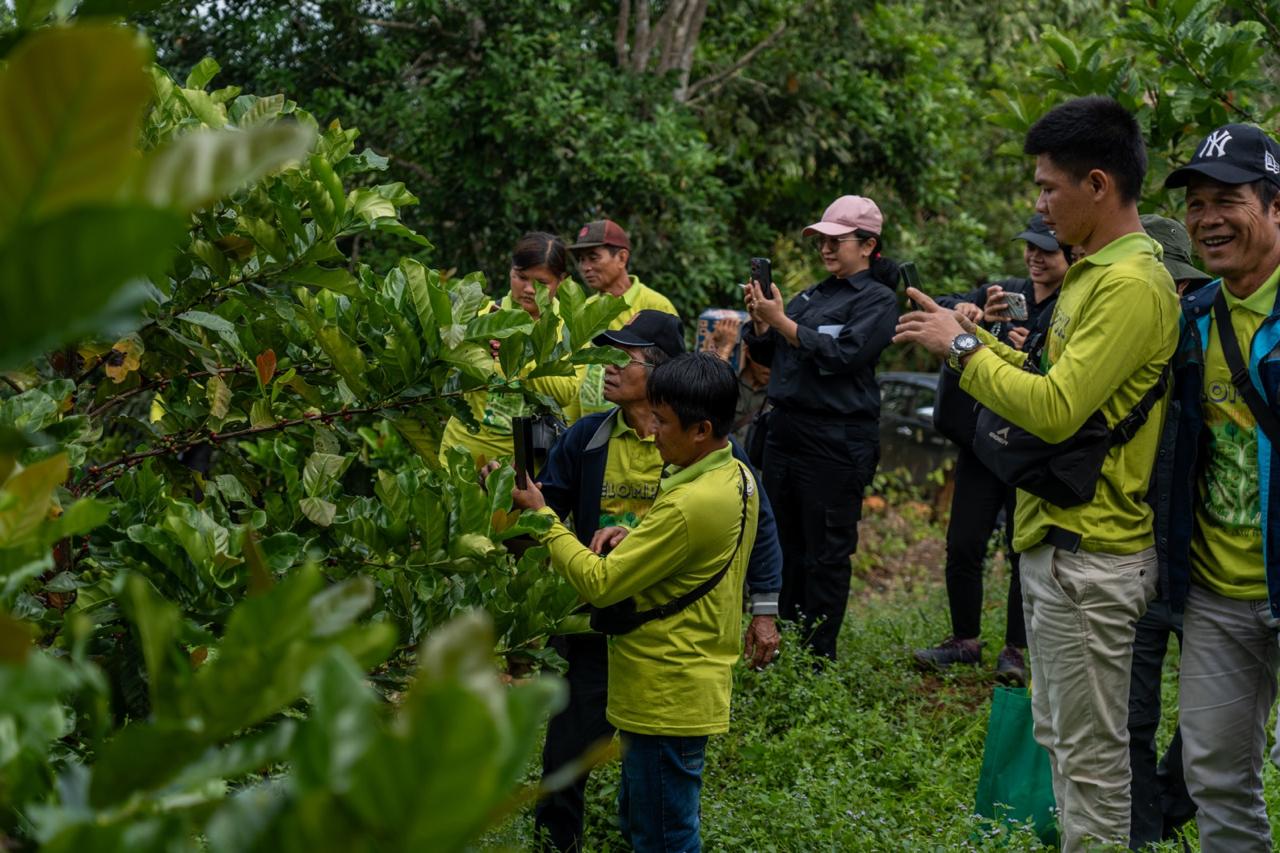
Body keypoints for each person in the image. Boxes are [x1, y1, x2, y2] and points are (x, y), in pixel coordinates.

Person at [894, 96, 1179, 850]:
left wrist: (961, 353)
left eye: (1048, 187)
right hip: (1057, 545)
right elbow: (1060, 380)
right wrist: (973, 338)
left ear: (1097, 183)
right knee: (1062, 738)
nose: (1039, 203)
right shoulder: (1092, 275)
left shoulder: (1129, 282)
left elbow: (1053, 411)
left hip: (1094, 555)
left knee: (1092, 760)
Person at [527, 310, 782, 852]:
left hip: (665, 678)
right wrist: (631, 532)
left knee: (664, 833)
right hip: (635, 655)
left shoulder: (698, 492)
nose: (610, 367)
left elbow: (602, 579)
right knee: (625, 801)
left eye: (627, 356)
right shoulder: (718, 470)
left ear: (700, 429)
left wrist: (543, 522)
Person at [1162, 123, 1280, 852]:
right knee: (1215, 772)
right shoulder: (1195, 316)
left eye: (1227, 200)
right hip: (1217, 591)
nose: (1208, 218)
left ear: (1275, 207)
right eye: (1197, 203)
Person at [913, 214, 1070, 684]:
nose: (1036, 257)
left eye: (1047, 249)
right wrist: (967, 310)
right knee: (963, 542)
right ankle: (964, 640)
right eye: (1030, 247)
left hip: (1030, 449)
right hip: (983, 441)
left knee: (1022, 550)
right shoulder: (1002, 290)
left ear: (1071, 253)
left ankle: (1017, 650)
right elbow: (942, 312)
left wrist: (1031, 350)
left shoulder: (1069, 306)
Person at [742, 194, 899, 661]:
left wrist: (783, 323)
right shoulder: (811, 295)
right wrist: (763, 325)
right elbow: (773, 357)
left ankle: (816, 658)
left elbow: (844, 356)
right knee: (781, 543)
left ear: (868, 245)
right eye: (821, 242)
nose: (826, 250)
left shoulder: (877, 300)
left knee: (825, 553)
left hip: (835, 442)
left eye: (837, 241)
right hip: (786, 432)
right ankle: (778, 645)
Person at [1126, 214, 1205, 849]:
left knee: (1211, 727)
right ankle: (1141, 831)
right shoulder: (1117, 347)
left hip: (1205, 564)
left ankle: (1167, 805)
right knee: (1129, 717)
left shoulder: (1211, 347)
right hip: (1132, 556)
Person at [439, 232, 578, 465]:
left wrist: (516, 355)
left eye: (541, 283)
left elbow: (565, 391)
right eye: (521, 277)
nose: (529, 289)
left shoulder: (568, 330)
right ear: (510, 271)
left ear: (561, 281)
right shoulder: (482, 317)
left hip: (523, 465)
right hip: (461, 452)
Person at [567, 219, 679, 421]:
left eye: (593, 258)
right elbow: (577, 374)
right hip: (590, 430)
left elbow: (673, 374)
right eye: (582, 260)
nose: (585, 267)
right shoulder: (584, 309)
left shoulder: (655, 306)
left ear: (621, 257)